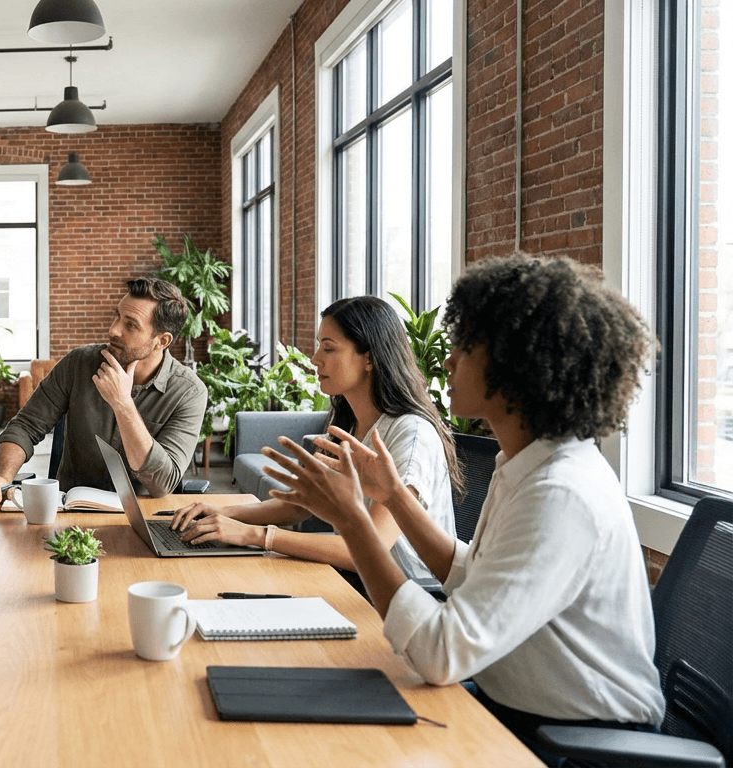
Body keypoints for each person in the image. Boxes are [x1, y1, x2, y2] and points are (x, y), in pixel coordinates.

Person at [261, 255, 664, 763]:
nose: (447, 362)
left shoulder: (560, 492)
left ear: (516, 364)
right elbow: (464, 571)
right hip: (515, 709)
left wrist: (351, 519)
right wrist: (392, 496)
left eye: (464, 348)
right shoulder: (524, 464)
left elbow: (439, 654)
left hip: (576, 742)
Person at [170, 296, 460, 580]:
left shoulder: (409, 434)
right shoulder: (349, 422)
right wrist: (224, 512)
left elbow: (375, 548)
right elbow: (299, 506)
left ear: (369, 357)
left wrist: (255, 535)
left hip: (407, 596)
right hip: (361, 582)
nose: (315, 359)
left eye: (329, 349)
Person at [0, 277, 206, 507]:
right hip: (69, 514)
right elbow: (26, 425)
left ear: (162, 341)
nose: (113, 330)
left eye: (131, 325)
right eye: (117, 316)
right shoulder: (79, 363)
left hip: (142, 518)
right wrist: (3, 477)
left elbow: (162, 483)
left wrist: (123, 404)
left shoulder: (189, 392)